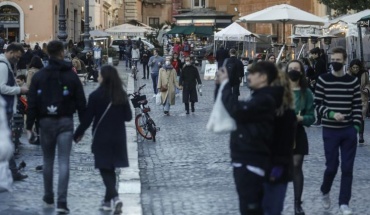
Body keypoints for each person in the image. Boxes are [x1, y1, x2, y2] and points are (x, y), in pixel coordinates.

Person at [26, 40, 87, 214]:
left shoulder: (39, 76)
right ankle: (62, 202)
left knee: (47, 160)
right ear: (62, 52)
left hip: (45, 122)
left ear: (48, 53)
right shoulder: (71, 75)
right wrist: (81, 128)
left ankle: (48, 196)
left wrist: (29, 126)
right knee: (63, 161)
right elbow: (81, 102)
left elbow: (32, 102)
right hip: (65, 121)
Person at [217, 61, 280, 214]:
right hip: (244, 161)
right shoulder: (257, 97)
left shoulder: (265, 99)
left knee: (251, 209)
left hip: (252, 163)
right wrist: (220, 86)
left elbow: (236, 110)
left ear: (264, 77)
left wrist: (225, 85)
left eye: (252, 74)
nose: (248, 77)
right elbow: (227, 107)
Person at [73, 65, 132, 214]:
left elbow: (87, 120)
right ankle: (108, 201)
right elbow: (128, 117)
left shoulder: (95, 96)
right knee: (110, 168)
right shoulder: (121, 95)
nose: (97, 77)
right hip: (118, 137)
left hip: (101, 137)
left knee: (104, 168)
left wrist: (77, 134)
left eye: (99, 75)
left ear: (104, 77)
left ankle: (115, 197)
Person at [314, 47, 362, 215]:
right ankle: (325, 190)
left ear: (344, 61)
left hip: (348, 130)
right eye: (333, 60)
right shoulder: (323, 79)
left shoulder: (352, 81)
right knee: (332, 167)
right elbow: (317, 104)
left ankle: (344, 203)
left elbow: (357, 105)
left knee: (347, 168)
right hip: (330, 130)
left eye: (338, 60)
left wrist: (355, 127)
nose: (335, 62)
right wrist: (332, 114)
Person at [262, 70, 296, 215]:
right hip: (262, 168)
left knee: (273, 208)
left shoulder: (286, 113)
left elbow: (286, 144)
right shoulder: (260, 107)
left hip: (276, 168)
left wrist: (278, 167)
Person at [286, 60, 315, 215]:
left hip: (298, 132)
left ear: (301, 72)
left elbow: (312, 117)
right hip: (282, 134)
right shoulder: (280, 91)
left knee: (297, 165)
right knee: (280, 167)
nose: (293, 71)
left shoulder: (306, 93)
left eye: (296, 69)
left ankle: (297, 202)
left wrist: (302, 118)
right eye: (290, 68)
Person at [0, 43, 28, 181]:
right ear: (11, 52)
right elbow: (2, 88)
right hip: (3, 109)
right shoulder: (3, 66)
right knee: (6, 140)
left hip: (6, 108)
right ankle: (12, 171)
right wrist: (19, 90)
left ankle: (12, 170)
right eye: (17, 56)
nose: (18, 59)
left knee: (7, 141)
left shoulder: (6, 65)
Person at [348, 59, 370, 146]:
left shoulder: (364, 73)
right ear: (351, 68)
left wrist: (366, 89)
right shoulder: (348, 74)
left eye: (357, 67)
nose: (356, 69)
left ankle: (361, 135)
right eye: (354, 67)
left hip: (362, 97)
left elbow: (368, 83)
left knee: (361, 117)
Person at [310, 47, 327, 126]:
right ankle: (321, 119)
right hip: (320, 82)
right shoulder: (318, 61)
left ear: (316, 54)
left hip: (321, 84)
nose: (312, 56)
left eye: (313, 54)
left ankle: (319, 119)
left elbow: (319, 73)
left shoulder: (319, 62)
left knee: (318, 101)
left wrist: (311, 77)